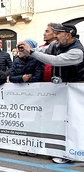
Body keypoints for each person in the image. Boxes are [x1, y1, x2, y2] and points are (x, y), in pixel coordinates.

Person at [18, 23, 84, 164]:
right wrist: (26, 49)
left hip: (75, 94)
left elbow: (55, 60)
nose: (55, 36)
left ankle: (72, 153)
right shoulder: (56, 45)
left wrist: (32, 52)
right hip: (61, 91)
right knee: (59, 121)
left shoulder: (77, 51)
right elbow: (42, 50)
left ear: (68, 35)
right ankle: (60, 150)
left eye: (58, 33)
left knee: (73, 123)